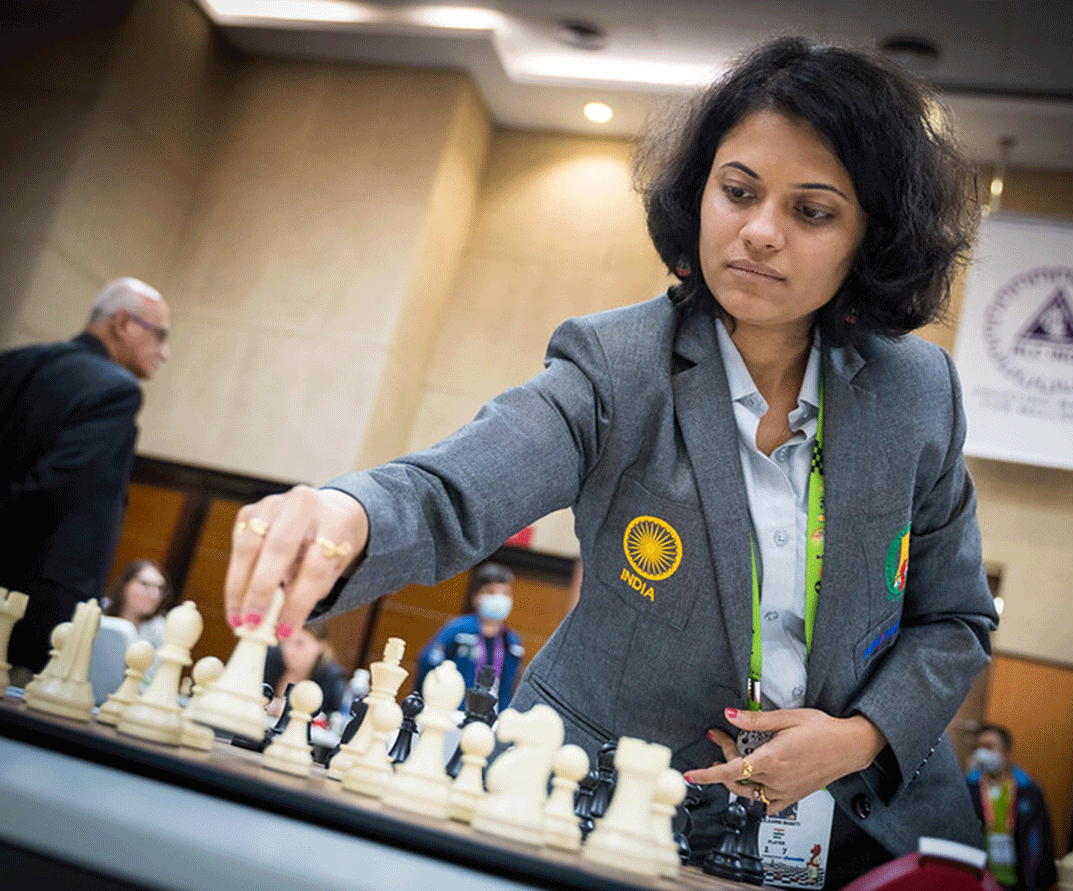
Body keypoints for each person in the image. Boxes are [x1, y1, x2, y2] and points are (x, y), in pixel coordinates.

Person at [222, 34, 997, 886]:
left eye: (812, 211)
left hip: (862, 830)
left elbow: (955, 620)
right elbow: (455, 490)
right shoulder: (616, 363)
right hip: (618, 803)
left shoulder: (917, 393)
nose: (760, 232)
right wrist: (348, 512)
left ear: (869, 237)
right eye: (737, 191)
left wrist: (860, 738)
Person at [0, 277, 170, 680]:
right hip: (33, 611)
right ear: (123, 323)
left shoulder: (12, 362)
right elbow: (55, 490)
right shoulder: (116, 390)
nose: (164, 353)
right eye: (159, 335)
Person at [414, 562, 524, 710]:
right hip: (452, 713)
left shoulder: (512, 641)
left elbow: (511, 685)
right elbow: (428, 663)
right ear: (477, 597)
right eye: (491, 592)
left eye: (506, 593)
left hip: (492, 718)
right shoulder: (458, 629)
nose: (499, 599)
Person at [965, 723, 1058, 891]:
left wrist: (1040, 881)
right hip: (979, 879)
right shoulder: (969, 788)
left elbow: (1042, 836)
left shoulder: (1028, 790)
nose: (982, 753)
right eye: (979, 747)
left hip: (1019, 882)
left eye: (989, 747)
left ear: (1006, 752)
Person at [263, 622, 347, 725]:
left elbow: (333, 719)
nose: (289, 650)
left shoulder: (331, 677)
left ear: (320, 647)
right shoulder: (271, 657)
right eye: (286, 641)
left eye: (299, 643)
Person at [101, 558, 173, 648]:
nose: (155, 595)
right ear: (125, 585)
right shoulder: (99, 611)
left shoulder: (162, 630)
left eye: (160, 588)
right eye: (145, 584)